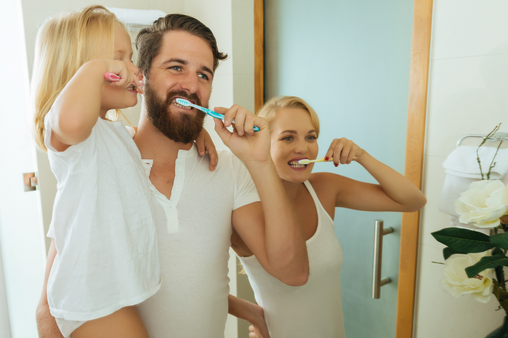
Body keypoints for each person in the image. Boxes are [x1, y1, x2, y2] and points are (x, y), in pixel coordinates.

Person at [36, 13, 309, 338]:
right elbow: (51, 309)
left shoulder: (228, 169)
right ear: (144, 74)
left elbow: (292, 272)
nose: (192, 85)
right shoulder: (101, 166)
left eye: (204, 75)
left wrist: (261, 162)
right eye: (176, 67)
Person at [31, 6, 219, 338]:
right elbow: (72, 120)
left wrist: (193, 130)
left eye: (130, 58)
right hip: (93, 300)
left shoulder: (111, 133)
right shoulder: (71, 135)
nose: (134, 70)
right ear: (81, 70)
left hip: (111, 297)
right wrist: (97, 68)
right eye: (119, 59)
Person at [228, 96, 427, 338]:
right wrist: (251, 313)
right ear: (262, 142)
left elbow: (413, 200)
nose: (303, 148)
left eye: (310, 137)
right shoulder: (243, 207)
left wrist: (362, 156)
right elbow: (196, 280)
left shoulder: (323, 187)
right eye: (288, 137)